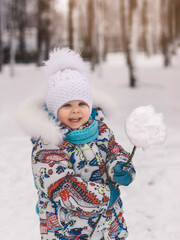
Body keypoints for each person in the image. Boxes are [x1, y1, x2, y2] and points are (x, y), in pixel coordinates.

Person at [18, 48, 136, 240]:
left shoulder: (100, 130)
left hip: (108, 227)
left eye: (81, 103)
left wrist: (120, 166)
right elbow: (63, 187)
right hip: (68, 231)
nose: (75, 111)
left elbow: (114, 151)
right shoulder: (48, 145)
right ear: (54, 108)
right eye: (66, 105)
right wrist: (106, 196)